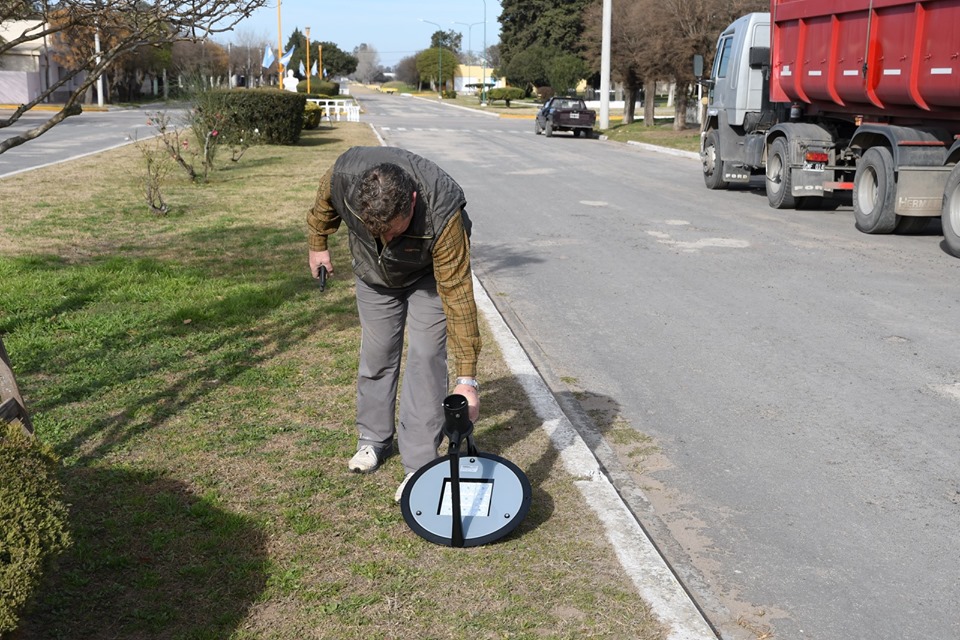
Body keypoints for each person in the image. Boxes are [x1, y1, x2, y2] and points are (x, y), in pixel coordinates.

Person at [307, 146, 481, 501]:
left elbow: (459, 296)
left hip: (427, 276)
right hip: (373, 277)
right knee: (377, 353)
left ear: (413, 201)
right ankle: (373, 440)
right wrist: (318, 244)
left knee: (426, 358)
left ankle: (419, 465)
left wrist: (466, 380)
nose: (387, 239)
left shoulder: (443, 213)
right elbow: (323, 202)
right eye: (379, 231)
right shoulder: (346, 176)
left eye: (394, 231)